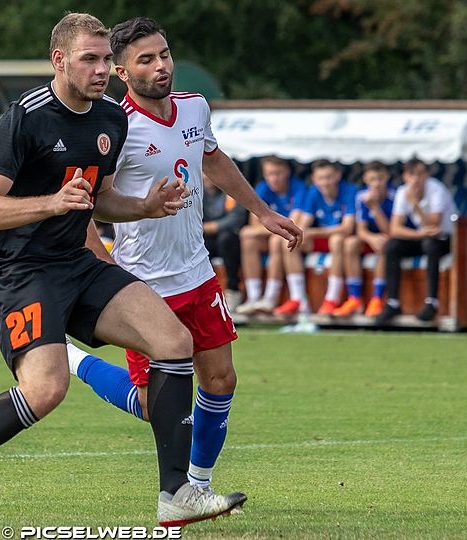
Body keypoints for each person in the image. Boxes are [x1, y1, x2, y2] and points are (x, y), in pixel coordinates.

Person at [0, 13, 210, 528]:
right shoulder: (25, 117)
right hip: (20, 271)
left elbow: (99, 199)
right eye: (90, 59)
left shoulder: (111, 118)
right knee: (45, 390)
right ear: (59, 61)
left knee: (174, 341)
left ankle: (176, 494)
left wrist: (144, 207)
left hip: (75, 262)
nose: (102, 70)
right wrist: (53, 203)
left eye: (106, 59)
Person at [67, 16, 301, 527]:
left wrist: (262, 212)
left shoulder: (195, 106)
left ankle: (196, 487)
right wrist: (104, 265)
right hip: (143, 285)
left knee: (220, 378)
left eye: (165, 54)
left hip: (196, 272)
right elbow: (86, 203)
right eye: (146, 60)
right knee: (156, 406)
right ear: (123, 73)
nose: (161, 66)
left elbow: (213, 160)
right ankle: (74, 361)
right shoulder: (113, 126)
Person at [376, 158, 456, 325]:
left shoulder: (436, 189)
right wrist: (419, 234)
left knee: (430, 245)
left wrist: (414, 203)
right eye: (412, 175)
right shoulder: (402, 191)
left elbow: (433, 224)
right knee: (392, 246)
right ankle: (392, 302)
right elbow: (395, 229)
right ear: (405, 177)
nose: (416, 179)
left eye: (420, 174)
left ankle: (432, 302)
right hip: (424, 236)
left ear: (427, 175)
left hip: (447, 239)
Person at [276, 160, 356, 316]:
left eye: (329, 177)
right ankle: (298, 299)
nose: (325, 182)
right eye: (321, 178)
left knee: (337, 240)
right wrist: (302, 233)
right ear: (314, 179)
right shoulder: (313, 192)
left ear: (338, 176)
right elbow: (304, 224)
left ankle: (332, 298)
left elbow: (347, 229)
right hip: (323, 239)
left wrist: (312, 232)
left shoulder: (349, 190)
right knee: (290, 241)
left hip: (341, 241)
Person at [235, 156, 307, 315]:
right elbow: (254, 223)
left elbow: (295, 226)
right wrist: (276, 230)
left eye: (277, 173)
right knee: (248, 238)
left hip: (295, 239)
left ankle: (271, 298)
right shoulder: (263, 187)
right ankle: (253, 297)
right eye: (269, 174)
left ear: (287, 172)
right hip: (275, 236)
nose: (273, 178)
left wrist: (273, 230)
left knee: (276, 240)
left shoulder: (298, 187)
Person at [333, 161, 396, 318]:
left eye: (380, 178)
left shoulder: (394, 195)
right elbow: (361, 230)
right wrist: (371, 238)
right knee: (350, 244)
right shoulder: (361, 197)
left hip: (391, 238)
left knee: (386, 244)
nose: (377, 183)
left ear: (387, 177)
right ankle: (354, 298)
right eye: (372, 179)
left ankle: (377, 299)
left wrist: (375, 207)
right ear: (365, 179)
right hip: (370, 238)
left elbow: (390, 230)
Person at [202, 175, 248, 309]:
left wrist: (209, 227)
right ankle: (204, 293)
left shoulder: (232, 191)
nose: (208, 177)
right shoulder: (197, 191)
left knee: (226, 239)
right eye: (204, 172)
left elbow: (236, 219)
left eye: (211, 173)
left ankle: (233, 291)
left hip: (231, 239)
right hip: (206, 237)